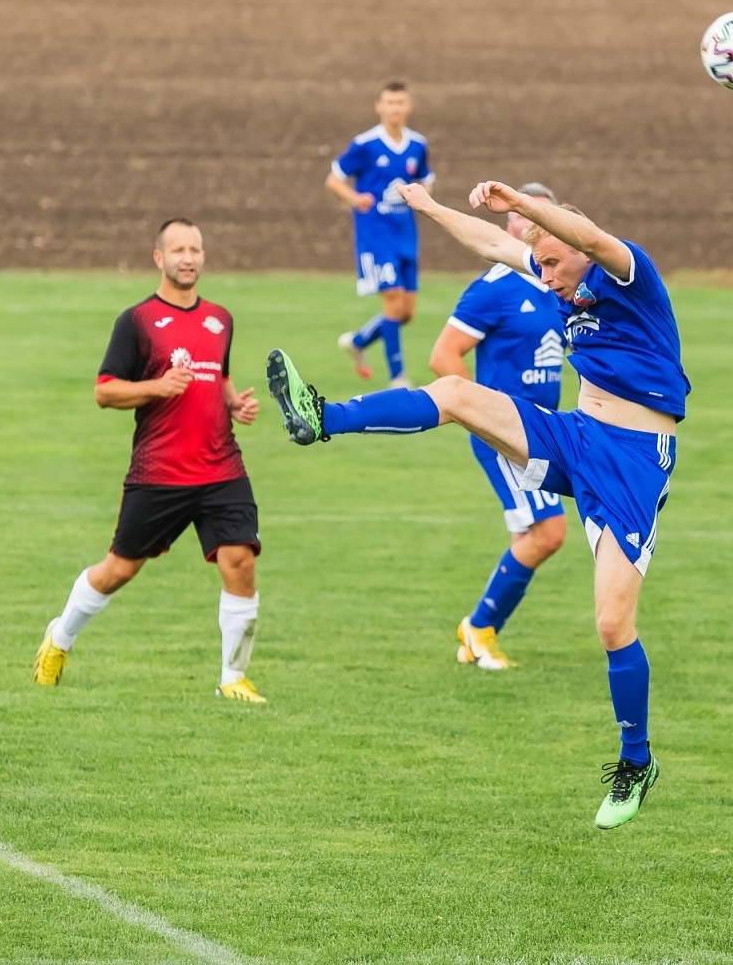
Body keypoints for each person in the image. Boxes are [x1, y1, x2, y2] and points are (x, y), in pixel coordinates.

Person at [266, 179, 688, 830]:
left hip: (633, 462)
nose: (544, 278)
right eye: (538, 265)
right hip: (576, 435)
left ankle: (637, 762)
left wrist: (523, 204)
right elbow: (493, 241)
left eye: (552, 263)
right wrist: (434, 209)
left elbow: (590, 236)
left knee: (611, 625)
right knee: (457, 395)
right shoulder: (555, 276)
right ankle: (323, 417)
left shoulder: (626, 273)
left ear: (576, 248)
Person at [33, 218, 267, 702]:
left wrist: (232, 403)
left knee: (240, 561)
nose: (188, 257)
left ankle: (232, 678)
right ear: (159, 258)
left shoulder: (221, 318)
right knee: (118, 569)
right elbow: (105, 392)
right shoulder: (136, 321)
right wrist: (157, 387)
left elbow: (216, 375)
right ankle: (60, 638)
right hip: (160, 472)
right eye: (177, 249)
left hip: (221, 467)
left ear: (203, 257)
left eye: (195, 249)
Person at [429, 183, 570, 671]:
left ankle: (478, 634)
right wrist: (482, 415)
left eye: (542, 219)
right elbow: (442, 355)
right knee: (548, 531)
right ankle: (480, 628)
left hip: (545, 430)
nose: (532, 228)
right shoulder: (494, 288)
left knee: (536, 534)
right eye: (523, 219)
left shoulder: (558, 285)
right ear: (508, 227)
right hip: (508, 434)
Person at [326, 81, 435, 388]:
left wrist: (424, 197)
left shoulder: (418, 145)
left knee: (406, 312)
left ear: (408, 106)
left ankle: (359, 341)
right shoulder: (365, 144)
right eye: (390, 102)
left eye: (400, 102)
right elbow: (333, 179)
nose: (395, 108)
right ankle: (397, 377)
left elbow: (426, 180)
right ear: (379, 106)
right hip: (375, 236)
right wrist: (354, 199)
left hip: (406, 234)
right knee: (392, 302)